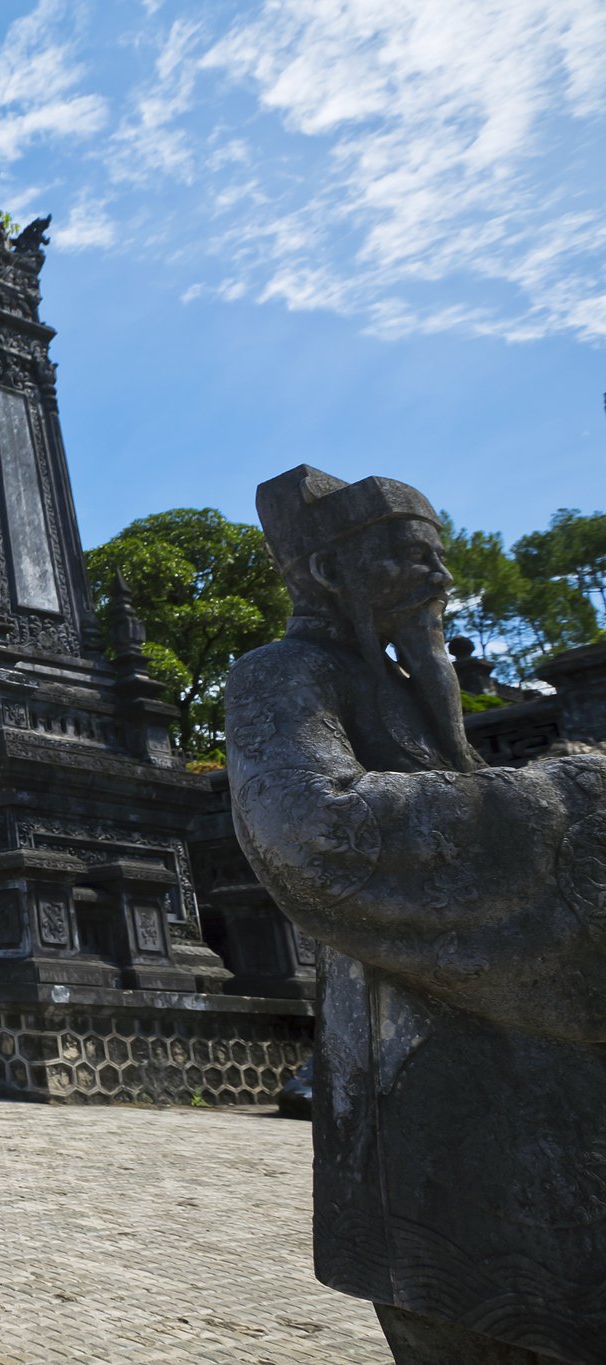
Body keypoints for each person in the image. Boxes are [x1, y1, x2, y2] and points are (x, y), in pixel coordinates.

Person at [227, 465, 606, 1365]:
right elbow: (311, 830)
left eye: (438, 557)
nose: (439, 577)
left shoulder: (409, 692)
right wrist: (566, 796)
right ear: (330, 570)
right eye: (410, 556)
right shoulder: (282, 674)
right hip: (412, 1082)